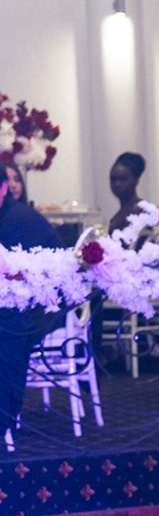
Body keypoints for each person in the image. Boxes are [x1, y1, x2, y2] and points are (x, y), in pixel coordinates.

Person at [0, 173, 61, 439]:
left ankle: (4, 420)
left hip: (42, 308)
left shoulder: (17, 220)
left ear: (4, 189)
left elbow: (15, 277)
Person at [105, 151, 147, 236]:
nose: (117, 184)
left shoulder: (138, 210)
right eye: (113, 179)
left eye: (123, 179)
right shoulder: (124, 211)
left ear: (136, 180)